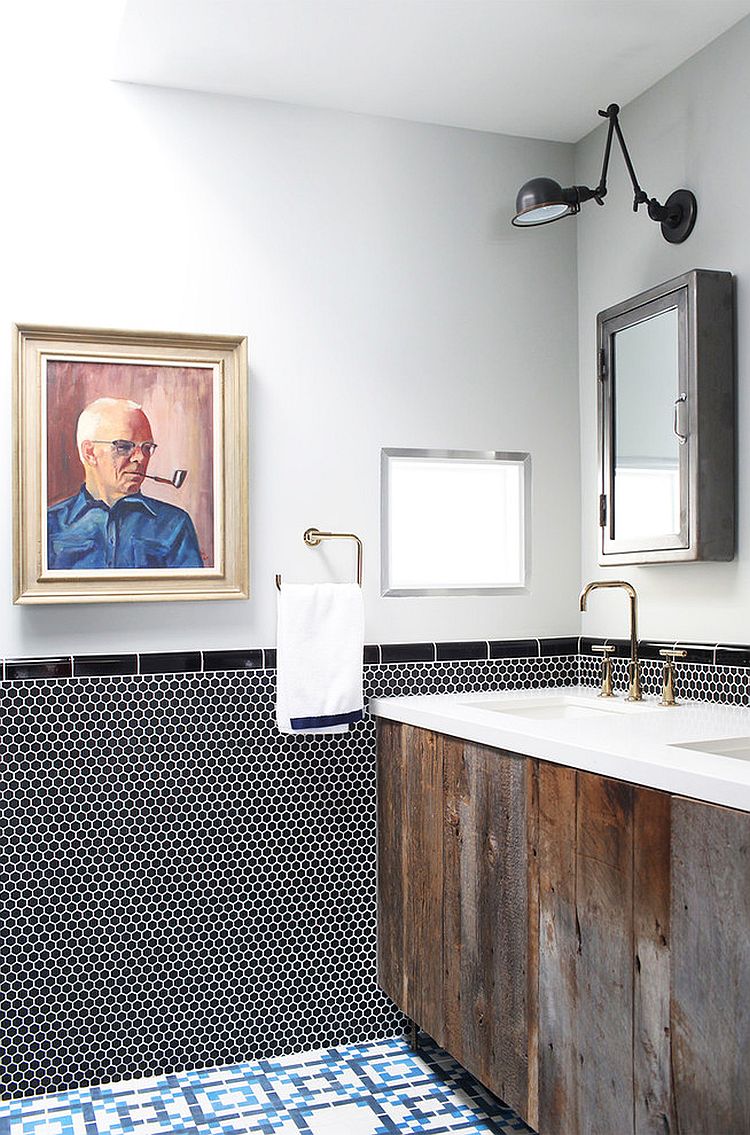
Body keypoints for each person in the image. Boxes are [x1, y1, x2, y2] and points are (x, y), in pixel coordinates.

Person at [47, 397, 203, 570]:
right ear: (90, 453)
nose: (141, 457)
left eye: (146, 447)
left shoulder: (174, 524)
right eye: (124, 446)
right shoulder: (49, 524)